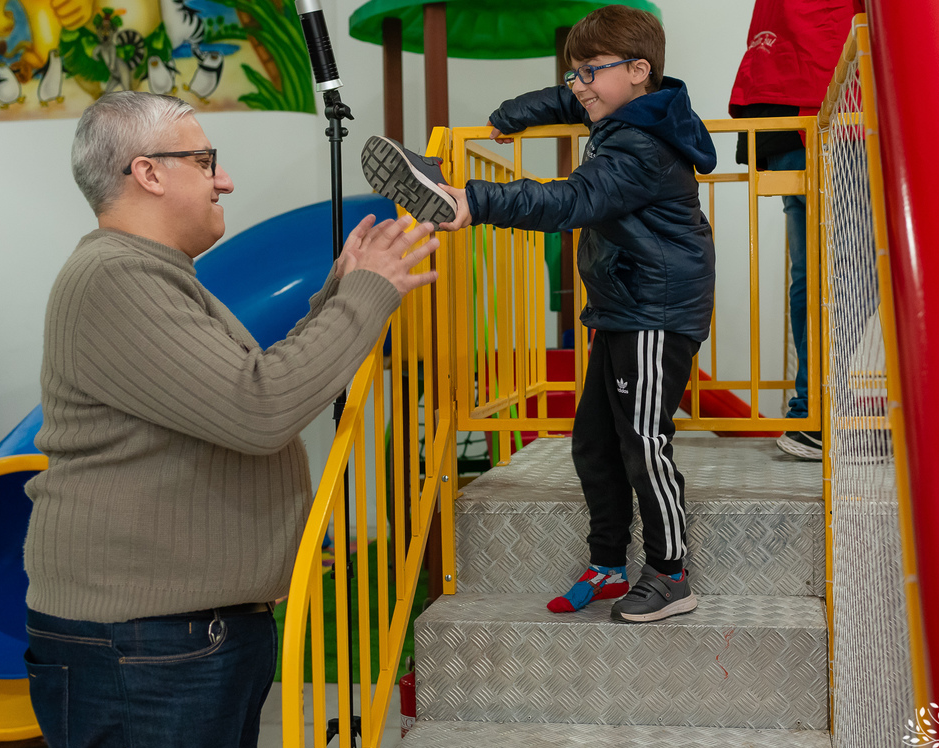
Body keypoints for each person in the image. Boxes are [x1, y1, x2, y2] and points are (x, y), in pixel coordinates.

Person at [21, 91, 438, 748]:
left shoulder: (157, 278)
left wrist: (341, 293)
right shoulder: (117, 277)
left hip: (174, 638)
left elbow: (230, 390)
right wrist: (365, 297)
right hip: (146, 644)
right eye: (206, 161)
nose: (225, 180)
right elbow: (258, 405)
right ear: (147, 173)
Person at [361, 4, 716, 624]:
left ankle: (669, 573)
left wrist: (474, 200)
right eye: (573, 76)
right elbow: (571, 99)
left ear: (639, 70)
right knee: (594, 445)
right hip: (622, 306)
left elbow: (573, 199)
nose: (579, 88)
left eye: (589, 75)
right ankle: (607, 562)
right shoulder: (630, 107)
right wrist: (513, 115)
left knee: (643, 443)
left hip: (656, 311)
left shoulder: (641, 144)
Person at [729, 0, 864, 461]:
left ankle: (818, 412)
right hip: (829, 99)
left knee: (819, 272)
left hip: (789, 95)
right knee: (841, 273)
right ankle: (825, 415)